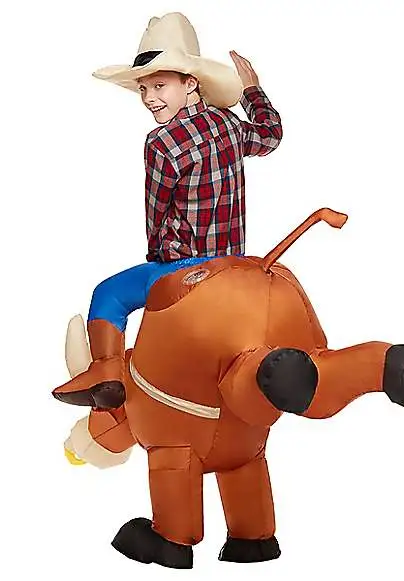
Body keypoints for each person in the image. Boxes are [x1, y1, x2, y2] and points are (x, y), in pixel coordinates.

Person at [52, 12, 283, 409]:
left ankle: (108, 373)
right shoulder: (228, 124)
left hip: (186, 269)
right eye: (144, 89)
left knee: (109, 293)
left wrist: (158, 259)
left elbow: (156, 216)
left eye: (159, 86)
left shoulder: (161, 142)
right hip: (234, 266)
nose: (149, 98)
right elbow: (270, 135)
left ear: (190, 83)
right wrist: (252, 91)